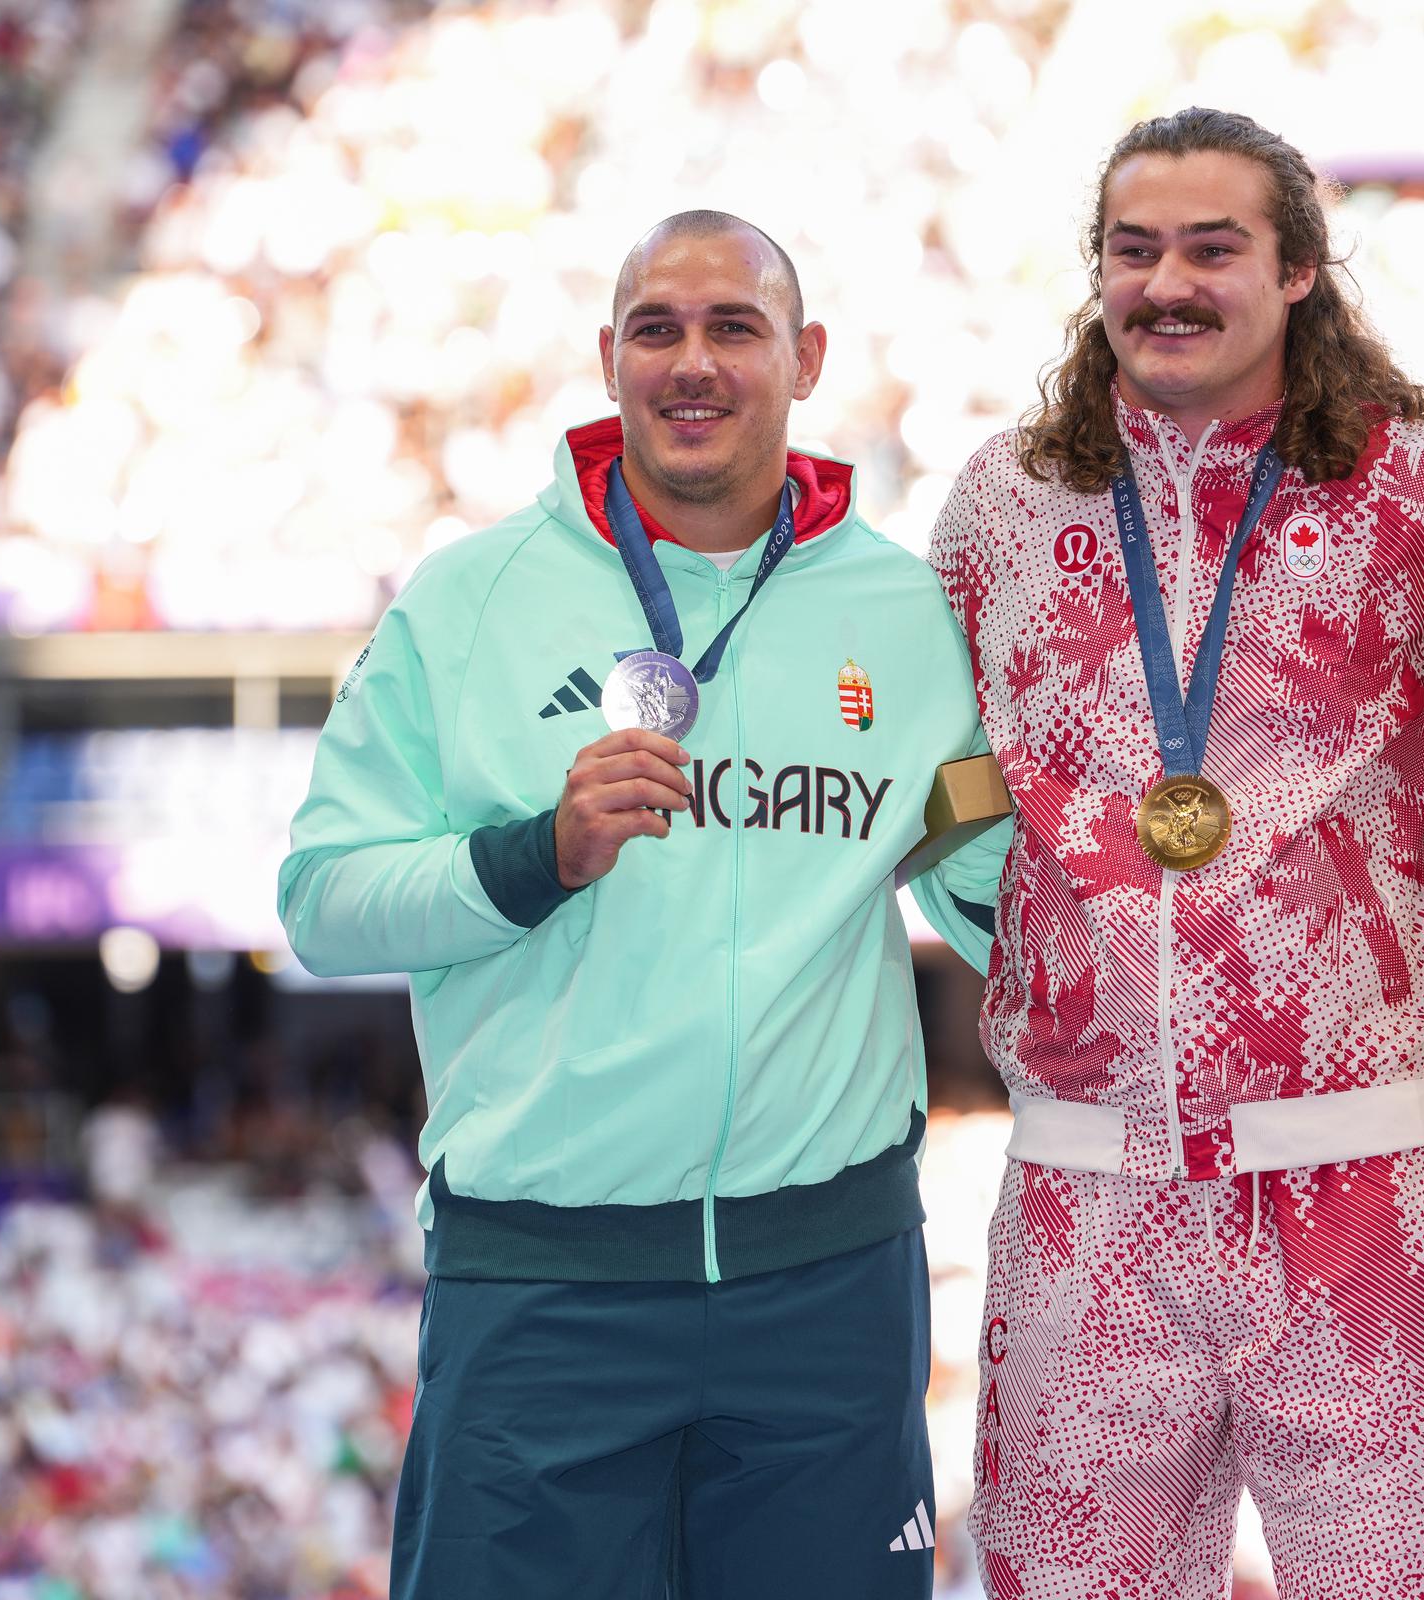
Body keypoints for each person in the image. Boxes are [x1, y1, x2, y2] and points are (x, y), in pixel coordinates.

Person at [278, 210, 1005, 1600]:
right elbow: (323, 900)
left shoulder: (904, 612)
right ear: (608, 359)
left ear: (806, 359)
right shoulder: (469, 600)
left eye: (735, 327)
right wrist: (532, 856)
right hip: (546, 1292)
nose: (695, 363)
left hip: (828, 1285)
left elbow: (967, 865)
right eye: (658, 331)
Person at [923, 105, 1424, 1599]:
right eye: (1133, 251)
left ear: (1302, 274)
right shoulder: (1004, 508)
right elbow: (942, 778)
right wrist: (1011, 923)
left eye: (1215, 248)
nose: (1169, 283)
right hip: (1089, 1185)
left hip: (1371, 1178)